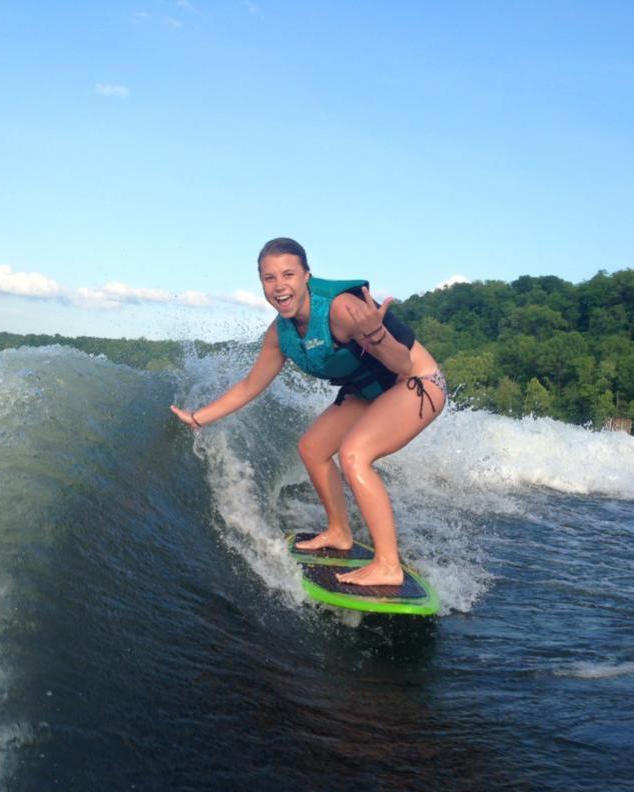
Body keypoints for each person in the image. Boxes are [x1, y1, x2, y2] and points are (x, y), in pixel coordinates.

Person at [170, 238, 446, 587]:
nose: (279, 285)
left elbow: (403, 365)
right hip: (370, 389)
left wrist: (376, 332)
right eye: (269, 278)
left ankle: (388, 565)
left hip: (419, 383)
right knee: (313, 448)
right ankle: (339, 532)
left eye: (288, 274)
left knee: (354, 455)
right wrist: (198, 418)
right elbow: (250, 385)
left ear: (306, 276)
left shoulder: (342, 310)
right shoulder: (279, 334)